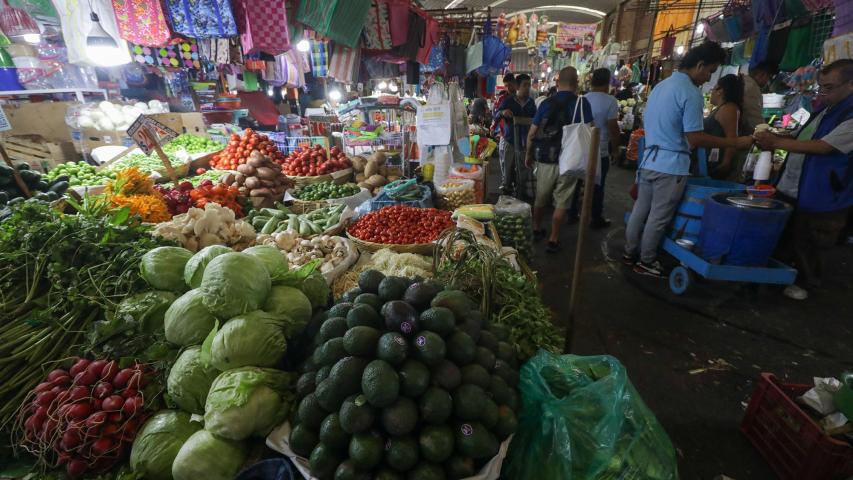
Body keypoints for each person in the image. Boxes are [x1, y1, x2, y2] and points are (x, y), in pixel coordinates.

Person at [624, 41, 754, 277]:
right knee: (657, 217)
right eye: (710, 72)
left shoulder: (660, 86)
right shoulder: (690, 93)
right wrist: (735, 143)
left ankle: (629, 253)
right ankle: (646, 261)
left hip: (649, 162)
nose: (708, 79)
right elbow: (695, 138)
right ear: (700, 65)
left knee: (640, 211)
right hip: (671, 166)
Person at [754, 59, 853, 300]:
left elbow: (823, 147)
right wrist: (780, 135)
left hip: (823, 192)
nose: (823, 93)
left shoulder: (849, 115)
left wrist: (776, 142)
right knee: (787, 235)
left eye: (829, 87)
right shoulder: (827, 110)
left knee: (811, 241)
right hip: (794, 185)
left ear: (850, 85)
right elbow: (806, 135)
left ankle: (805, 284)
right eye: (821, 87)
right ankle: (778, 278)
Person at [525, 66, 593, 253]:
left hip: (546, 158)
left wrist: (528, 155)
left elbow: (532, 133)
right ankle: (553, 239)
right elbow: (591, 131)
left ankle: (536, 229)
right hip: (570, 160)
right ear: (576, 84)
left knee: (541, 197)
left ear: (557, 82)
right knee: (562, 200)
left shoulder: (546, 103)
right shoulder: (582, 103)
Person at [567, 67, 621, 229]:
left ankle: (572, 213)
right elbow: (613, 128)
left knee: (577, 182)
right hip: (600, 150)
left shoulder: (582, 99)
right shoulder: (610, 101)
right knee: (598, 184)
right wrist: (616, 149)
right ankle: (595, 217)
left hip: (581, 148)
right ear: (607, 83)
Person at [494, 73, 536, 196]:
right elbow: (496, 115)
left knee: (523, 172)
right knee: (508, 171)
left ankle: (521, 195)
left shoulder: (531, 103)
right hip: (510, 141)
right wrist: (502, 112)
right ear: (517, 86)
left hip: (524, 142)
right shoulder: (508, 101)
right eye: (525, 85)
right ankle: (506, 194)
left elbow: (536, 121)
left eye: (529, 85)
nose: (527, 88)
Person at [704, 74, 747, 181]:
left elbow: (732, 138)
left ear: (720, 91)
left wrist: (725, 163)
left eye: (713, 88)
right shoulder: (722, 108)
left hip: (718, 164)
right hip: (712, 162)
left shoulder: (728, 109)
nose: (711, 92)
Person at [741, 62, 778, 132]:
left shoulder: (743, 80)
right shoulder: (752, 88)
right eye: (768, 78)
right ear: (762, 74)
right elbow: (754, 118)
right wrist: (766, 131)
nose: (767, 82)